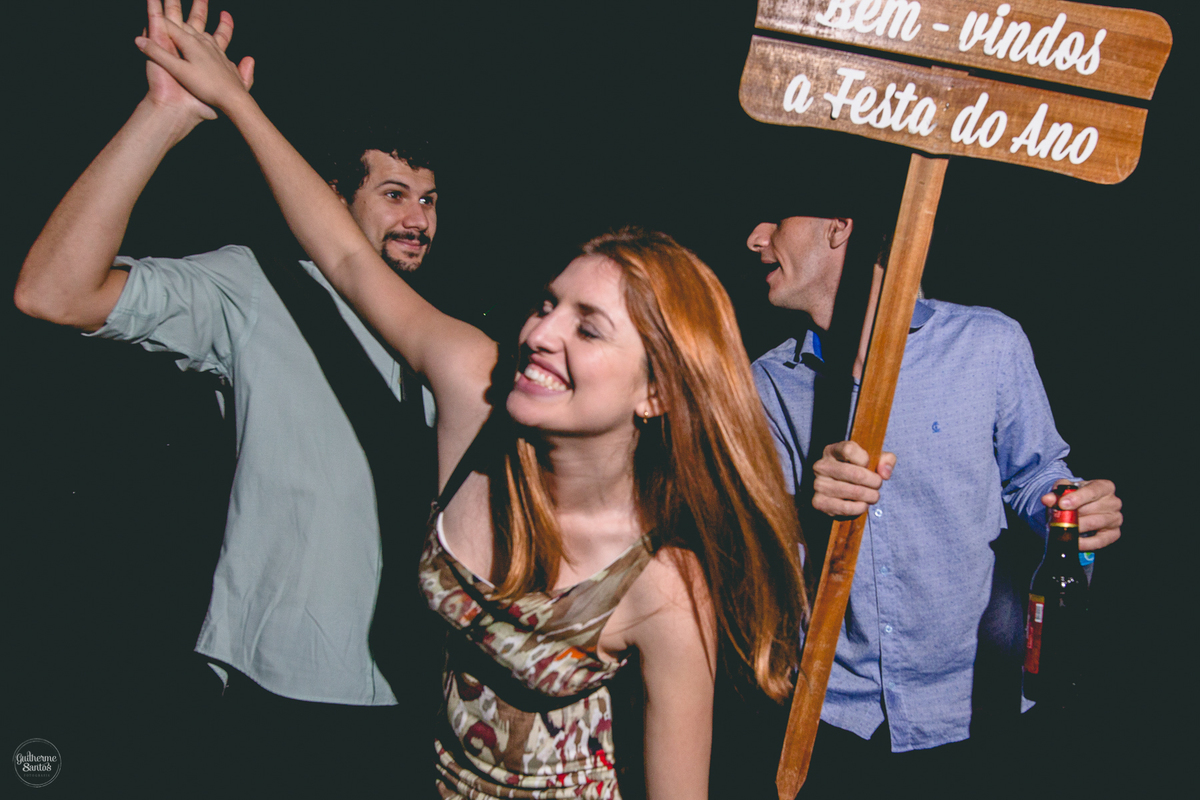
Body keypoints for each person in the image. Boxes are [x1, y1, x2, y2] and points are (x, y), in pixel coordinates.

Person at [128, 6, 808, 797]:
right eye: (548, 304)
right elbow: (345, 256)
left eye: (587, 327)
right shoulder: (473, 386)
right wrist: (235, 102)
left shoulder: (661, 587)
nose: (540, 333)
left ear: (655, 391)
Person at [14, 0, 441, 790]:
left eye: (429, 199)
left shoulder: (436, 342)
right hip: (273, 684)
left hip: (410, 694)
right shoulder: (256, 287)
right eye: (393, 194)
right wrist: (161, 118)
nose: (418, 219)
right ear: (333, 197)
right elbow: (52, 292)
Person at [743, 192, 1124, 795]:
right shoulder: (767, 383)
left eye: (776, 219)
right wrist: (802, 513)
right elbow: (752, 553)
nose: (756, 239)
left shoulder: (988, 342)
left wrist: (1069, 506)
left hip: (978, 703)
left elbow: (1035, 477)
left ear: (839, 227)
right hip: (836, 713)